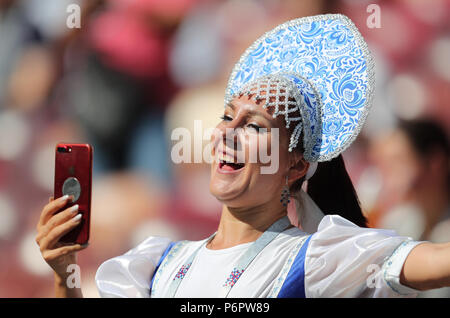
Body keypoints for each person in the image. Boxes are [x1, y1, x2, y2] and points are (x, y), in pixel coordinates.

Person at [36, 14, 450, 298]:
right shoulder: (155, 265)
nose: (227, 133)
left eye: (253, 126)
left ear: (296, 165)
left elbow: (434, 262)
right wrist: (63, 273)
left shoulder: (317, 259)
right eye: (227, 117)